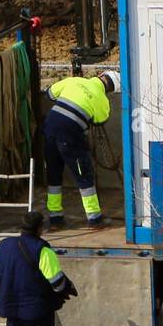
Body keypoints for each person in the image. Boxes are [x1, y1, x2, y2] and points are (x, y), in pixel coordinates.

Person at [41, 70, 119, 230]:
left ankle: (55, 218)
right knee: (84, 175)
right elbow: (99, 121)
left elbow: (49, 93)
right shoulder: (103, 102)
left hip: (49, 129)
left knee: (53, 174)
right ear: (111, 90)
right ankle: (94, 219)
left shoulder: (74, 80)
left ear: (100, 75)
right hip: (70, 136)